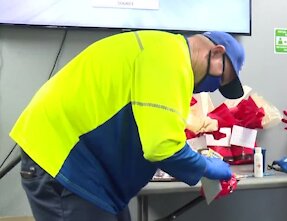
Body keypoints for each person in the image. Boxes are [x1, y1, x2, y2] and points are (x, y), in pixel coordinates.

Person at [10, 30, 246, 221]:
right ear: (216, 52)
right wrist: (206, 167)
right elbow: (162, 146)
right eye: (220, 78)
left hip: (87, 171)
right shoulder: (169, 59)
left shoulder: (165, 52)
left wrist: (196, 167)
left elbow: (157, 135)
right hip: (63, 164)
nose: (214, 88)